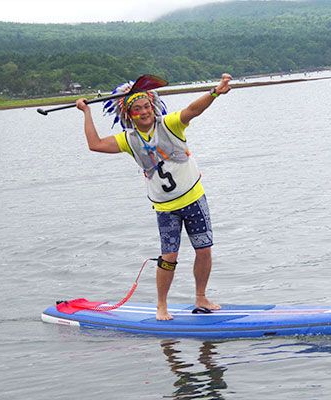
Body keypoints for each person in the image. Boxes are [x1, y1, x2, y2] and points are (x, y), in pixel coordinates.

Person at [75, 73, 232, 320]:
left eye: (147, 106)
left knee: (204, 249)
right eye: (137, 109)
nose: (144, 112)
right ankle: (161, 306)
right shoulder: (128, 140)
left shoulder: (170, 124)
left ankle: (201, 297)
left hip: (194, 199)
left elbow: (192, 110)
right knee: (169, 257)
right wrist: (86, 112)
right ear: (129, 115)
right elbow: (94, 144)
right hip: (165, 208)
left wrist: (215, 92)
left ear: (153, 106)